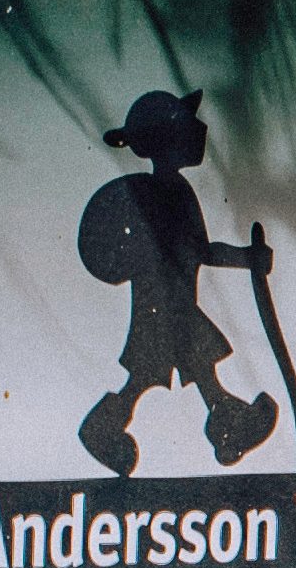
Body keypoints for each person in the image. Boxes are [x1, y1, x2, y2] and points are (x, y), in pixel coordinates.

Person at [76, 85, 282, 474]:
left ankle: (223, 430)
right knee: (177, 372)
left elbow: (195, 251)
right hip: (165, 308)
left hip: (169, 306)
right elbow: (200, 251)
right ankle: (107, 429)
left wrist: (248, 259)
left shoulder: (170, 190)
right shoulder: (167, 193)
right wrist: (247, 259)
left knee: (169, 375)